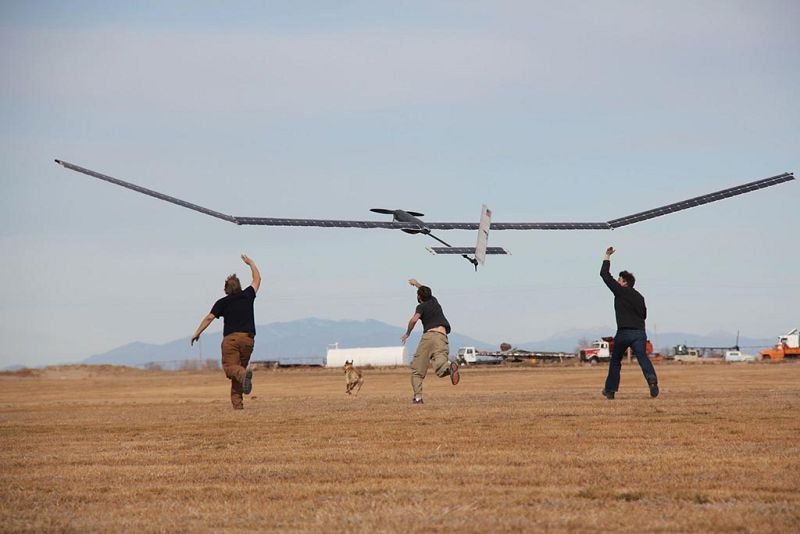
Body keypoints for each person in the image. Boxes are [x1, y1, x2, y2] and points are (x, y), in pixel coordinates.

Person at [191, 255, 261, 410]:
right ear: (239, 286)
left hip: (232, 341)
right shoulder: (248, 295)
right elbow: (257, 279)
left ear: (226, 289)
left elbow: (209, 317)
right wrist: (251, 264)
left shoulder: (222, 302)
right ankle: (238, 407)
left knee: (231, 369)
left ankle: (244, 375)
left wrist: (197, 332)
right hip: (248, 340)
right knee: (238, 373)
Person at [600, 247, 658, 399]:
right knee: (642, 357)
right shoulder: (640, 297)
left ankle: (610, 391)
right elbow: (644, 315)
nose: (617, 282)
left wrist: (607, 256)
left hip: (624, 332)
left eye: (619, 280)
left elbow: (604, 275)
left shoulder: (620, 291)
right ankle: (651, 379)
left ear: (624, 283)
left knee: (616, 361)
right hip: (640, 332)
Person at [401, 278, 459, 404]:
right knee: (440, 366)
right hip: (442, 336)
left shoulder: (420, 307)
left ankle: (418, 398)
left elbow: (414, 320)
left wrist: (408, 333)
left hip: (428, 336)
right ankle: (449, 368)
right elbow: (425, 292)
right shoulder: (434, 301)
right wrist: (416, 284)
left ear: (418, 297)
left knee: (417, 370)